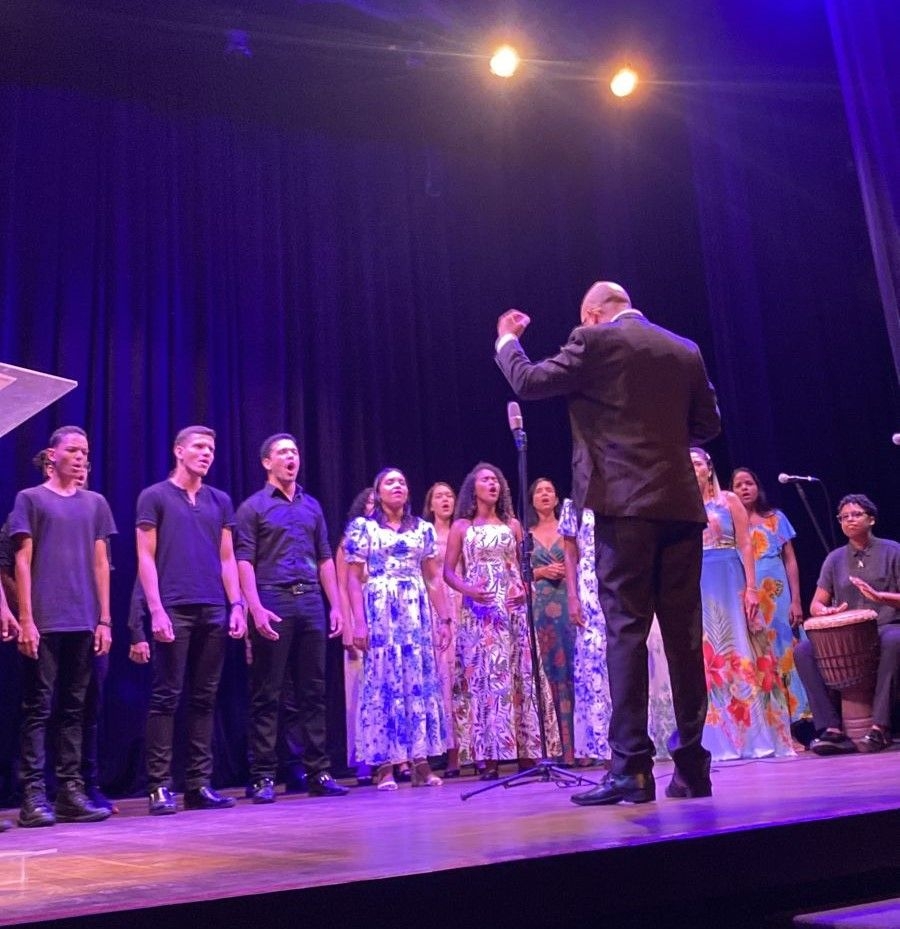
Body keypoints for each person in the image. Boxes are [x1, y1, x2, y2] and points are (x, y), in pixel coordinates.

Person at [495, 280, 721, 805]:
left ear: (592, 314)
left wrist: (506, 341)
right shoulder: (683, 348)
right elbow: (708, 425)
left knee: (626, 633)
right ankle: (692, 767)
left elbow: (528, 382)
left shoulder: (594, 342)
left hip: (624, 508)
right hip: (681, 510)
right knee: (685, 639)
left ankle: (633, 772)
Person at [8, 426, 115, 827]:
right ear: (51, 455)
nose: (80, 457)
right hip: (46, 620)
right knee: (39, 707)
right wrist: (26, 618)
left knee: (74, 707)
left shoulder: (96, 504)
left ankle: (70, 791)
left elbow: (101, 563)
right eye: (72, 450)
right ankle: (33, 795)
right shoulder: (30, 499)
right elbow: (22, 561)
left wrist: (104, 619)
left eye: (85, 451)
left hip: (83, 619)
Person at [137, 425, 246, 815]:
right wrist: (156, 610)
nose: (206, 453)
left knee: (204, 698)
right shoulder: (155, 497)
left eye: (211, 448)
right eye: (199, 447)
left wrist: (237, 604)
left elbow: (227, 558)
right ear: (178, 450)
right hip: (174, 607)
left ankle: (199, 784)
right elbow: (145, 557)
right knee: (167, 696)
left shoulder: (219, 500)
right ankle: (159, 787)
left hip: (213, 607)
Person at [235, 433, 348, 803]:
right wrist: (254, 607)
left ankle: (318, 771)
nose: (291, 458)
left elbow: (325, 559)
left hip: (310, 601)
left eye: (295, 452)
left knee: (313, 692)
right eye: (283, 453)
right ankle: (263, 776)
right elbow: (244, 562)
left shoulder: (311, 506)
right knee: (267, 693)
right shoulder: (253, 508)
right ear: (267, 463)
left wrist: (337, 605)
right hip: (273, 601)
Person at [443, 463, 558, 779]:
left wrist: (524, 587)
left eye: (495, 480)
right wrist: (468, 589)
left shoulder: (513, 525)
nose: (491, 484)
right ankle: (489, 756)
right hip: (481, 612)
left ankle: (526, 752)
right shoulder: (462, 527)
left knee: (519, 674)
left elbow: (524, 566)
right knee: (486, 678)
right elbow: (448, 572)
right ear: (473, 488)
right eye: (485, 480)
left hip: (512, 608)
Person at [346, 468, 450, 790]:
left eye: (402, 482)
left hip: (415, 612)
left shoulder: (422, 529)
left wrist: (444, 618)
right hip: (380, 609)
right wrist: (359, 621)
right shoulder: (364, 528)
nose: (398, 486)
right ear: (377, 492)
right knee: (383, 682)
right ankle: (385, 765)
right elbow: (352, 577)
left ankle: (420, 761)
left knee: (417, 681)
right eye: (390, 482)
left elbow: (433, 577)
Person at [691, 450, 793, 760]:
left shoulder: (728, 500)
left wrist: (750, 588)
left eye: (696, 463)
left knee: (742, 648)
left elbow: (746, 543)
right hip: (698, 578)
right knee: (710, 654)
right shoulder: (681, 504)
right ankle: (719, 739)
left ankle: (754, 734)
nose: (691, 468)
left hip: (729, 574)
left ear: (709, 469)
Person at [795, 494, 900, 755]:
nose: (849, 520)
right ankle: (831, 729)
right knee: (803, 651)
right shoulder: (835, 559)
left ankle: (880, 727)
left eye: (856, 514)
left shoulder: (892, 551)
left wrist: (881, 597)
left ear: (871, 519)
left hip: (885, 627)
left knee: (894, 640)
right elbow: (816, 604)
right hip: (848, 636)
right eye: (844, 517)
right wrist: (826, 611)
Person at [731, 467, 810, 740]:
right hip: (749, 600)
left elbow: (790, 560)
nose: (744, 489)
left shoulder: (775, 518)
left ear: (757, 486)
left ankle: (802, 724)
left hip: (779, 598)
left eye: (749, 483)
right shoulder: (728, 525)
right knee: (763, 658)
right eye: (738, 485)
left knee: (788, 653)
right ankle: (775, 728)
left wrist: (797, 600)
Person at [559, 499, 611, 766]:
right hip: (589, 583)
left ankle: (627, 742)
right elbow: (570, 553)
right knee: (593, 662)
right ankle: (600, 744)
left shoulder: (617, 493)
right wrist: (572, 596)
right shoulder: (574, 505)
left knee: (620, 658)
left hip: (618, 579)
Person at [530, 478, 576, 765]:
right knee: (546, 673)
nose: (545, 494)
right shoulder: (525, 534)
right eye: (539, 491)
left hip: (568, 604)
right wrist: (541, 571)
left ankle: (577, 749)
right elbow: (515, 574)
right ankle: (554, 749)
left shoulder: (568, 529)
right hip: (539, 608)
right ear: (532, 500)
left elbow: (581, 562)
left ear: (557, 498)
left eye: (549, 490)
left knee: (572, 670)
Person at [422, 482, 462, 778]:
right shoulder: (424, 534)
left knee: (466, 677)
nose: (445, 500)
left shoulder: (463, 529)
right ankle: (451, 754)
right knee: (445, 679)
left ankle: (474, 749)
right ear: (430, 504)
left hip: (465, 602)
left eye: (449, 496)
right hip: (439, 606)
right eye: (439, 496)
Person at [339, 487, 375, 785]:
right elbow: (343, 585)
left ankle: (395, 758)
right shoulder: (350, 541)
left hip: (385, 617)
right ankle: (363, 760)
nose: (374, 508)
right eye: (370, 504)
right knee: (360, 695)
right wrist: (349, 629)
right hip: (358, 615)